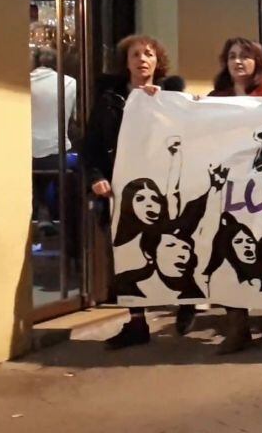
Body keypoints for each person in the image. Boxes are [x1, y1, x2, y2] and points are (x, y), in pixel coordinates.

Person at [83, 35, 192, 349]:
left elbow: (191, 135)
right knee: (127, 254)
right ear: (126, 62)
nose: (142, 59)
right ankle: (136, 322)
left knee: (177, 243)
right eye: (135, 55)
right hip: (123, 191)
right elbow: (91, 146)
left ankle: (187, 301)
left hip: (165, 187)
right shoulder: (109, 100)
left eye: (148, 54)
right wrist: (96, 178)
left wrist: (162, 105)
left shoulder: (172, 97)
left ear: (158, 61)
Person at [207, 37, 262, 354]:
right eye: (232, 56)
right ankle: (237, 325)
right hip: (230, 189)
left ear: (257, 61)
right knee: (231, 250)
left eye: (245, 56)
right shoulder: (217, 99)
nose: (238, 61)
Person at [30, 48, 76, 236]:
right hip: (57, 154)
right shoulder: (70, 82)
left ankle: (42, 210)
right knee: (73, 165)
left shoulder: (24, 83)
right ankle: (55, 216)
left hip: (27, 154)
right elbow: (75, 118)